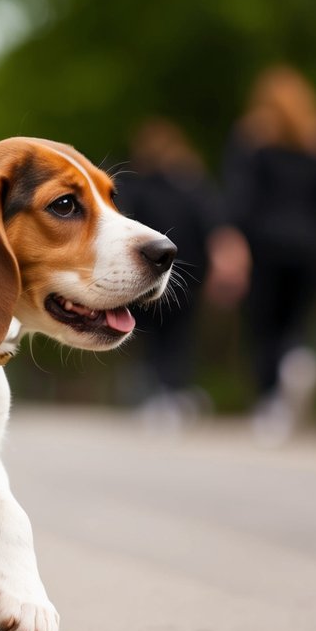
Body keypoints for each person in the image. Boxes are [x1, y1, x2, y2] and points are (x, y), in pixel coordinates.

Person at [223, 66, 316, 443]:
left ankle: (271, 402)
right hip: (310, 248)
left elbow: (239, 197)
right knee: (295, 322)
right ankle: (298, 363)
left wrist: (229, 238)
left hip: (264, 247)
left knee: (263, 326)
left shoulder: (251, 139)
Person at [115, 118, 249, 429]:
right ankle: (171, 393)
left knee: (149, 334)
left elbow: (122, 221)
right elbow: (215, 228)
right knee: (178, 338)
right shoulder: (194, 185)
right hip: (187, 275)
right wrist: (224, 266)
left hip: (145, 275)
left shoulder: (137, 184)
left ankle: (159, 394)